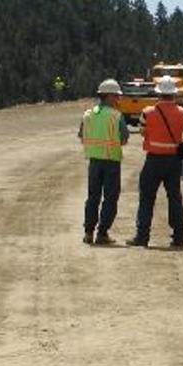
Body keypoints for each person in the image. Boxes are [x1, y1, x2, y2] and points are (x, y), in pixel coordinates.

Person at [129, 75, 183, 249]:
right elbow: (181, 128)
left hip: (154, 160)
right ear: (174, 94)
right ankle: (178, 238)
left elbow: (142, 132)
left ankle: (142, 237)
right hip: (174, 162)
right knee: (174, 198)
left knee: (146, 199)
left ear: (158, 93)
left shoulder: (147, 113)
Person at [78, 79, 129, 245]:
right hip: (111, 162)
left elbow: (81, 135)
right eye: (116, 96)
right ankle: (102, 233)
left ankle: (88, 232)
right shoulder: (116, 116)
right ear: (107, 96)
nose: (118, 100)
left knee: (93, 197)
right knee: (110, 197)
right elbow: (124, 138)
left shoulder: (88, 114)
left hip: (94, 162)